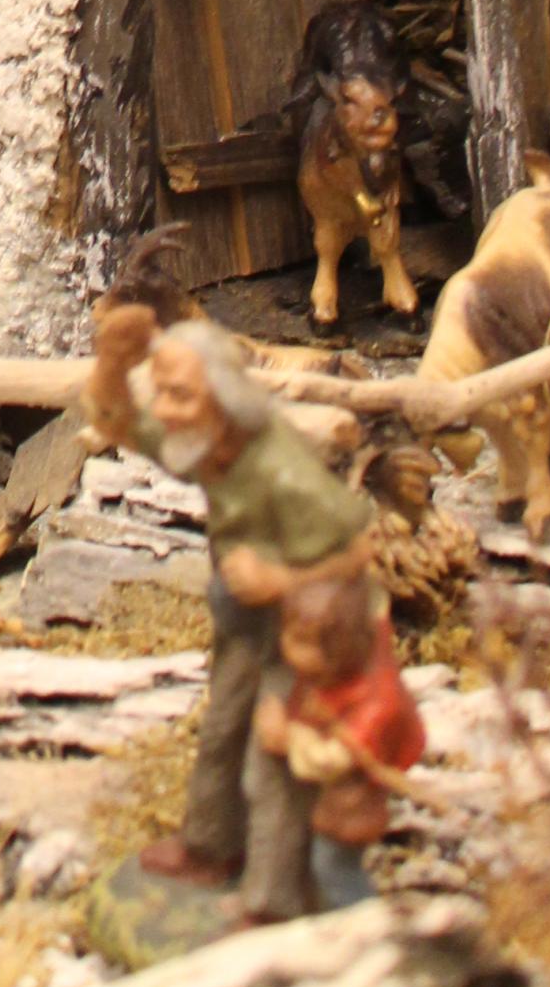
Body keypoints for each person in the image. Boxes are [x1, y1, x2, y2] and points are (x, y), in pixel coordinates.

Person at [85, 300, 376, 925]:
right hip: (243, 622)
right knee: (221, 730)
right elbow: (119, 424)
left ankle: (273, 900)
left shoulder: (284, 473)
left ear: (222, 398)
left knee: (273, 764)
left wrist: (281, 579)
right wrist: (111, 363)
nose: (166, 409)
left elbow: (359, 551)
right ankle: (211, 847)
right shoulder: (204, 439)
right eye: (161, 391)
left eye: (180, 395)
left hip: (303, 635)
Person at [259, 573, 427, 909]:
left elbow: (332, 760)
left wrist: (287, 738)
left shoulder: (375, 704)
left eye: (300, 640)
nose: (286, 646)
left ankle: (363, 919)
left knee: (334, 867)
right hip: (332, 802)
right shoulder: (329, 677)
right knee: (323, 864)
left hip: (351, 805)